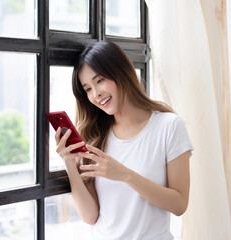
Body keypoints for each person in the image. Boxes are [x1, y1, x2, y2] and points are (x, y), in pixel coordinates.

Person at [53, 40, 193, 240]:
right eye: (88, 89)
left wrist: (125, 175)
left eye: (99, 80)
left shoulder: (169, 126)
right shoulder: (96, 136)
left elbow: (179, 204)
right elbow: (90, 216)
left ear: (120, 72)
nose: (96, 94)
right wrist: (70, 166)